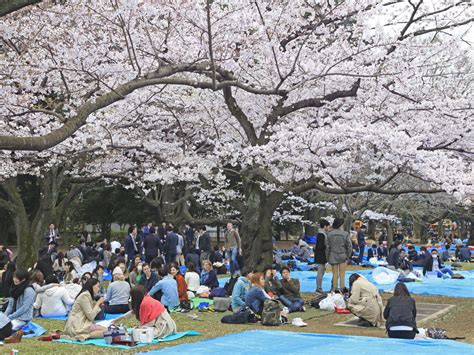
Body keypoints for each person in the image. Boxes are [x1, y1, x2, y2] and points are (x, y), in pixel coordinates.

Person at [326, 218, 352, 291]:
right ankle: (342, 289)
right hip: (343, 255)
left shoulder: (329, 234)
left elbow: (327, 247)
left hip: (332, 254)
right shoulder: (345, 234)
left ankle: (334, 289)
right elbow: (349, 246)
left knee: (334, 274)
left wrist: (327, 257)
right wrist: (348, 256)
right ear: (341, 225)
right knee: (342, 274)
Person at [314, 219, 330, 293]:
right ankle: (318, 288)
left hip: (321, 255)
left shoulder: (322, 234)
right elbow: (319, 246)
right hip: (321, 256)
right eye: (328, 226)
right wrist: (326, 246)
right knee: (320, 272)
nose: (328, 228)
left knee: (321, 272)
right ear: (324, 226)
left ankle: (319, 287)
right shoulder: (321, 234)